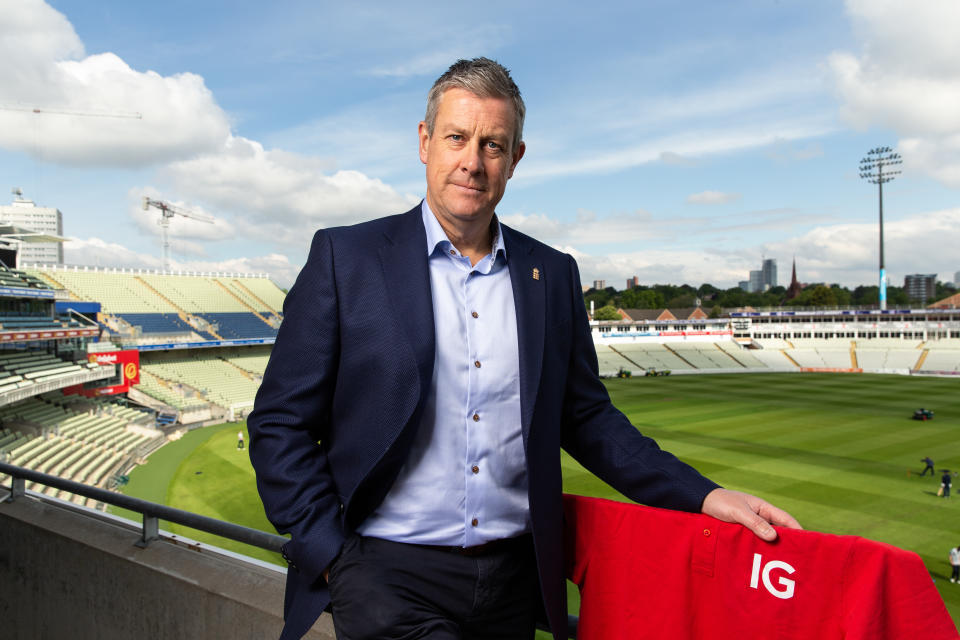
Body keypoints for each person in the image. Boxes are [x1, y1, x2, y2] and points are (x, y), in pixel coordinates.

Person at [247, 57, 801, 640]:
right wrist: (334, 555)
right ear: (424, 141)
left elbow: (587, 419)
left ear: (516, 159)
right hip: (386, 577)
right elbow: (280, 421)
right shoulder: (346, 259)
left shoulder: (551, 274)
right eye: (458, 138)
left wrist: (704, 495)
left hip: (515, 582)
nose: (473, 161)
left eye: (494, 145)